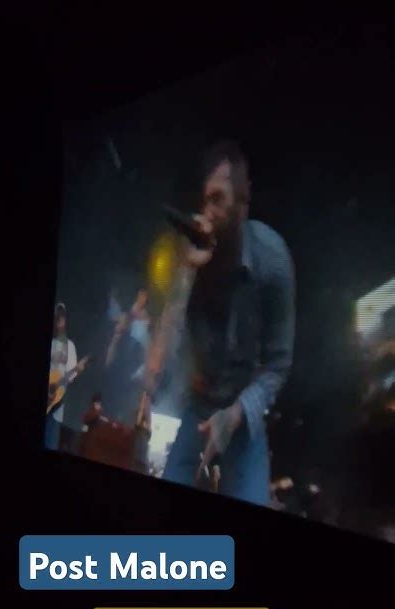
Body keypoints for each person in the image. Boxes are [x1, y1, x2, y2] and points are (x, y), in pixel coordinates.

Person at [146, 140, 295, 506]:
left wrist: (236, 415)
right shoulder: (189, 261)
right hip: (199, 407)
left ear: (242, 202)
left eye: (217, 199)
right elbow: (157, 369)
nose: (206, 213)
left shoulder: (272, 260)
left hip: (242, 415)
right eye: (203, 201)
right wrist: (186, 276)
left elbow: (278, 363)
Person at [104, 288, 151, 424]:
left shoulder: (144, 321)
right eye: (140, 296)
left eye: (144, 298)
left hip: (130, 365)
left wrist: (138, 373)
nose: (141, 300)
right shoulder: (126, 315)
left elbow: (145, 348)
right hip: (118, 363)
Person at [45, 303, 85, 450]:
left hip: (56, 409)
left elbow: (70, 377)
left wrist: (77, 370)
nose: (60, 320)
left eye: (62, 317)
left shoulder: (70, 346)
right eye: (58, 316)